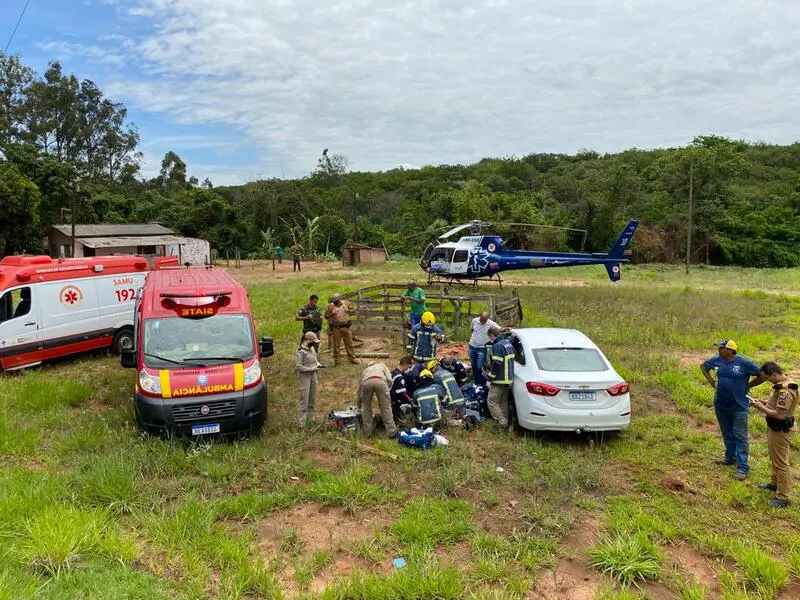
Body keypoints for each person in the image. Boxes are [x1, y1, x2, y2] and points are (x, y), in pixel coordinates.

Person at [700, 339, 763, 480]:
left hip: (739, 406)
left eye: (721, 348)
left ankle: (742, 467)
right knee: (727, 433)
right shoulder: (717, 360)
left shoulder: (743, 363)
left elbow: (762, 374)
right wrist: (711, 380)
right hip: (721, 404)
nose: (718, 350)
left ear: (729, 350)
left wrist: (750, 385)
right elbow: (703, 366)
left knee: (740, 436)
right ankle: (730, 457)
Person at [750, 361, 798, 508]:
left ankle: (783, 497)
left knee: (781, 463)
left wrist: (760, 407)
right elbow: (774, 403)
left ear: (773, 374)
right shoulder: (781, 384)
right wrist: (764, 402)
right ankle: (775, 483)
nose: (767, 381)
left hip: (781, 429)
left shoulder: (785, 391)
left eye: (768, 378)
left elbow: (779, 414)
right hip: (774, 427)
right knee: (774, 457)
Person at [485, 326, 515, 428]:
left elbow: (497, 363)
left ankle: (502, 422)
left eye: (490, 337)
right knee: (503, 401)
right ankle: (506, 422)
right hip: (509, 379)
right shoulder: (508, 343)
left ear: (493, 335)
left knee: (492, 401)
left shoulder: (497, 346)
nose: (490, 340)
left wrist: (490, 377)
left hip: (500, 379)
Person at [357, 361, 397, 438]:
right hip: (381, 381)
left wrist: (359, 405)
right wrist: (387, 391)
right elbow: (389, 379)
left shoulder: (365, 371)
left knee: (366, 407)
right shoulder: (383, 365)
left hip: (367, 382)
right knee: (386, 407)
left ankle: (368, 432)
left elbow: (359, 389)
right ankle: (391, 432)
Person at [468, 312, 506, 385]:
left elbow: (499, 329)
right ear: (480, 317)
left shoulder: (491, 323)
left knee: (479, 367)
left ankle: (481, 382)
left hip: (482, 348)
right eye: (481, 320)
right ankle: (476, 382)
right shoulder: (474, 320)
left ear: (487, 319)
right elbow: (472, 330)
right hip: (472, 346)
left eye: (484, 321)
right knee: (473, 366)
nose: (482, 322)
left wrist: (506, 329)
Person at [295, 332, 321, 426]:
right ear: (307, 340)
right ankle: (302, 423)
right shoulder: (300, 352)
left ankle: (310, 419)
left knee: (312, 398)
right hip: (304, 377)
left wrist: (318, 364)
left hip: (313, 375)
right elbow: (299, 367)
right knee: (304, 400)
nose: (314, 343)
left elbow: (315, 359)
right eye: (313, 341)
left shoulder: (312, 348)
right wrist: (312, 368)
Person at [325, 293, 358, 365]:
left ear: (339, 300)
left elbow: (354, 311)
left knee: (349, 343)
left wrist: (349, 311)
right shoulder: (331, 306)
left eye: (336, 301)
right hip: (336, 328)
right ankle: (337, 360)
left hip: (346, 326)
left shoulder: (346, 303)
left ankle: (352, 358)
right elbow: (326, 316)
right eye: (333, 301)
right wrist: (331, 313)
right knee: (336, 345)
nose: (334, 302)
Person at [390, 356, 417, 426]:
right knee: (404, 421)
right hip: (393, 401)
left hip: (389, 397)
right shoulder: (400, 377)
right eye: (408, 367)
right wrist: (410, 400)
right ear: (404, 365)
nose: (409, 370)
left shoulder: (393, 372)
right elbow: (402, 393)